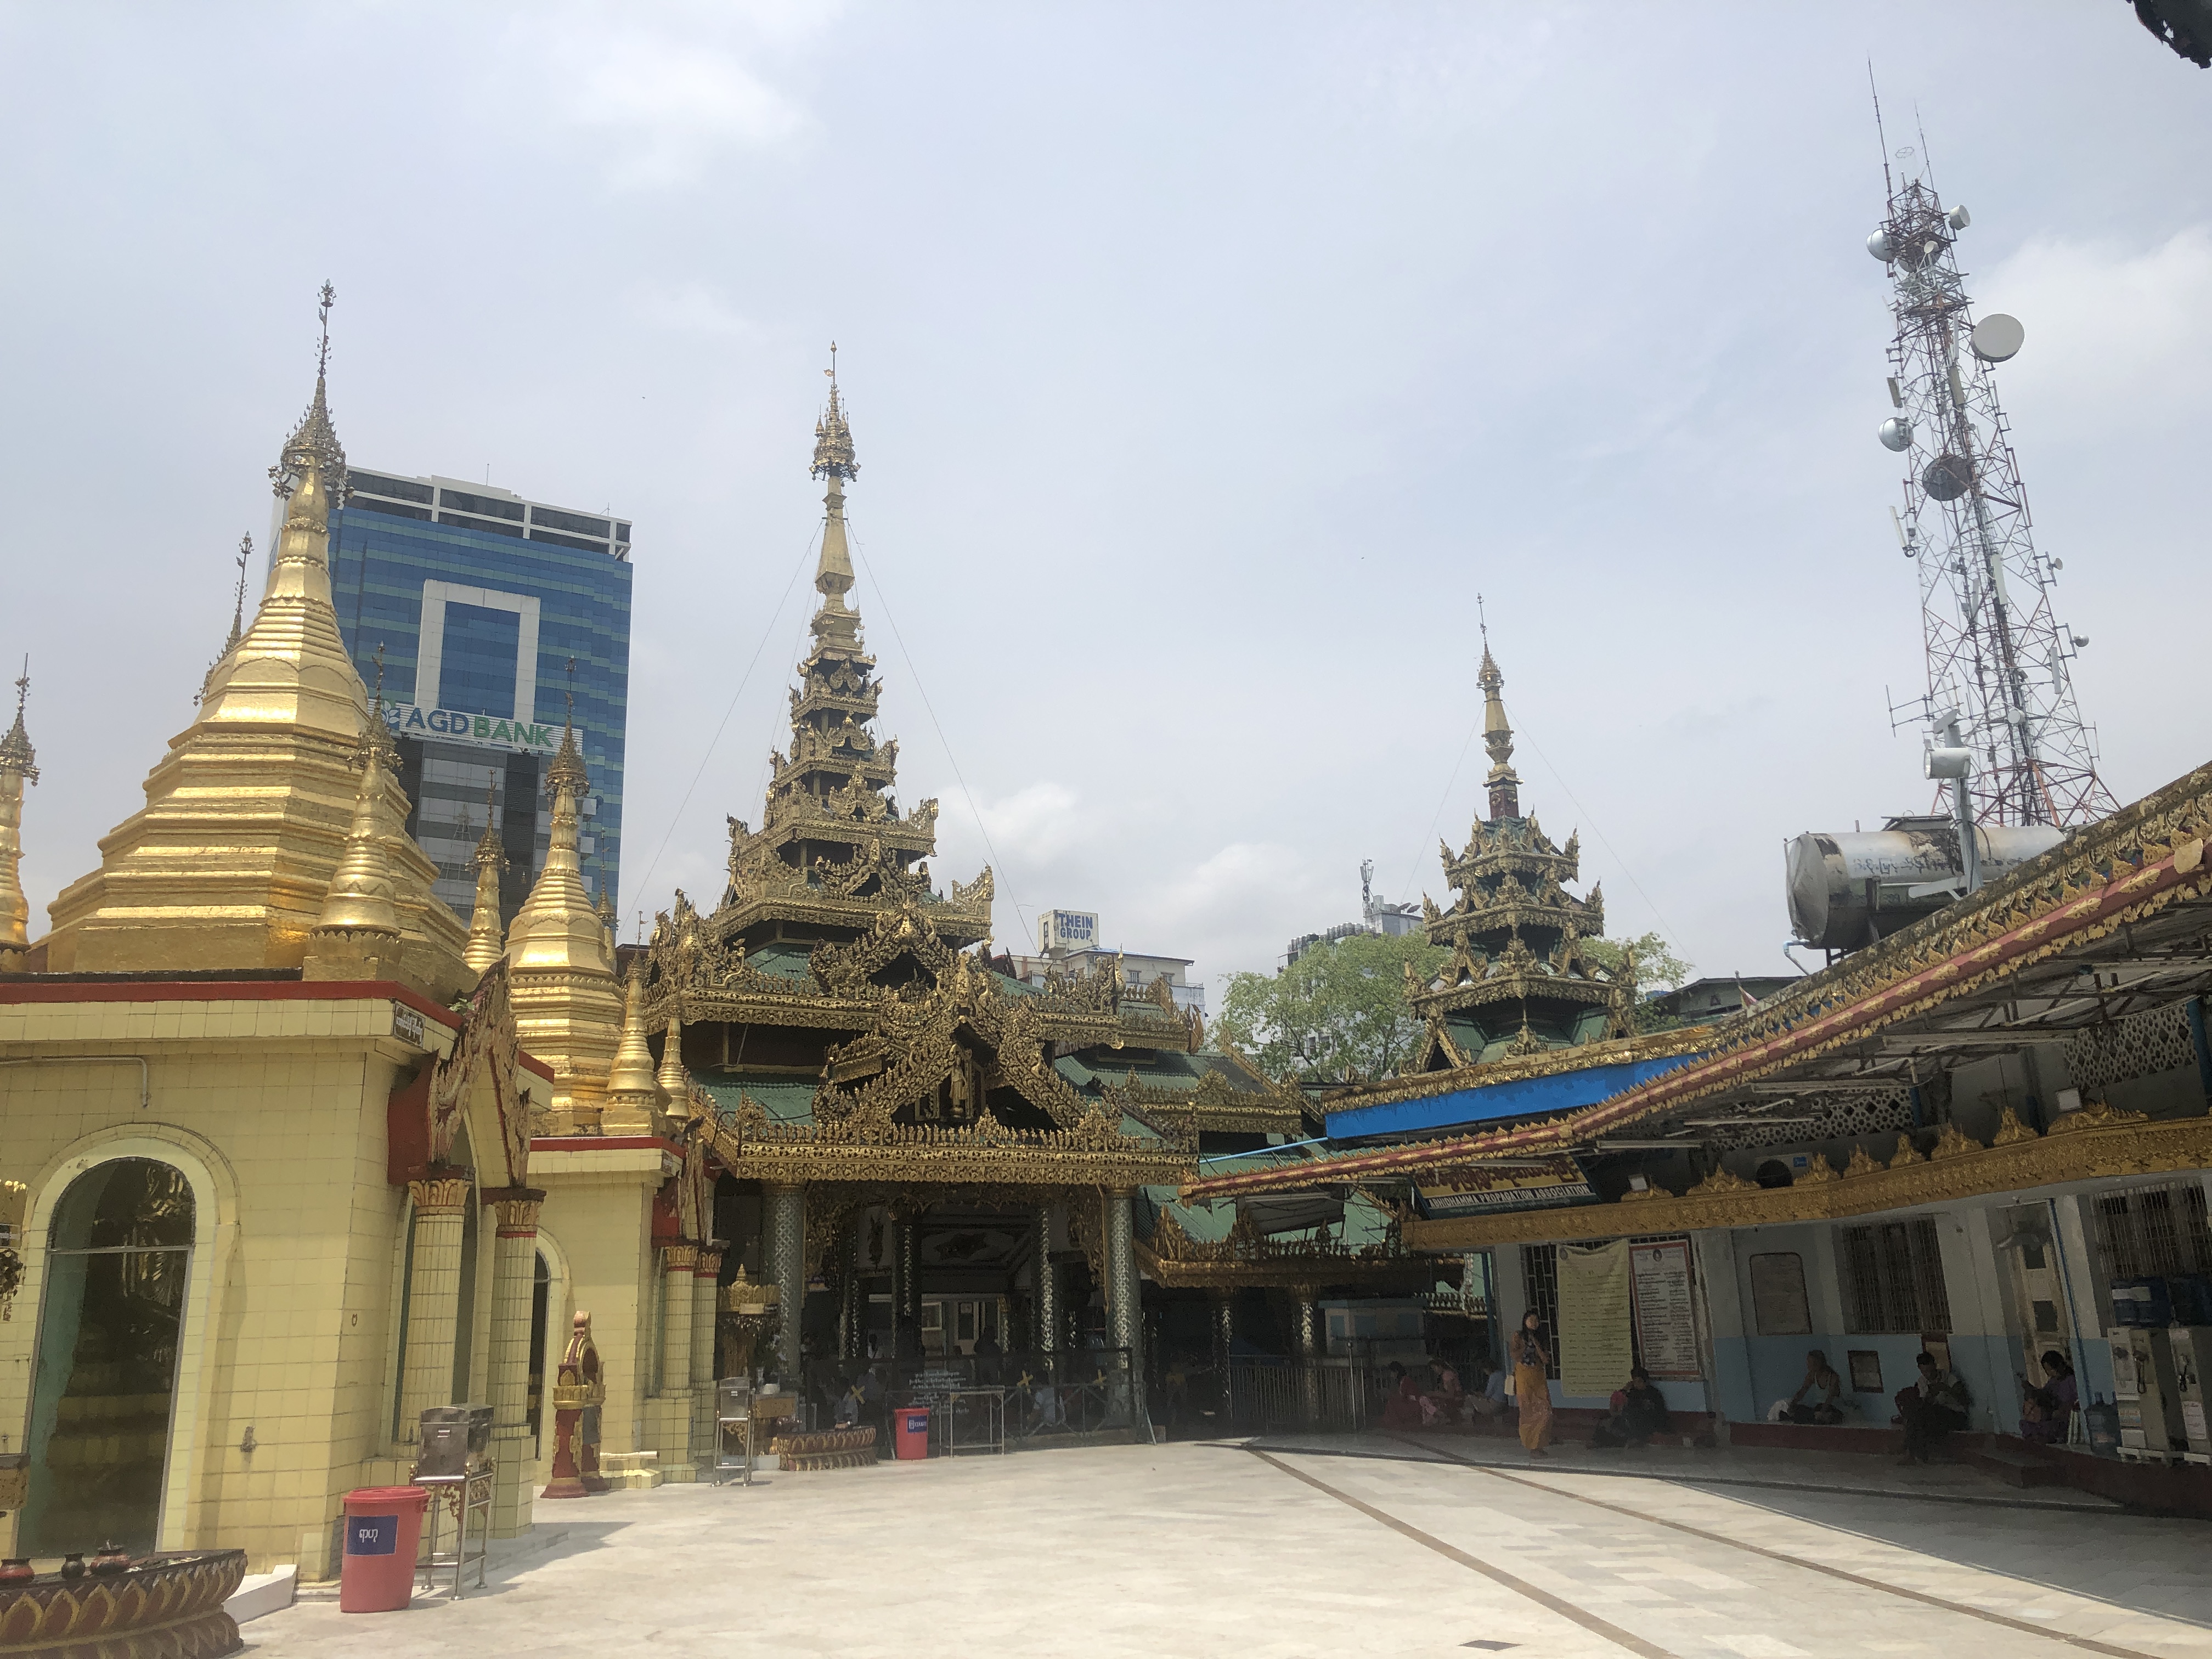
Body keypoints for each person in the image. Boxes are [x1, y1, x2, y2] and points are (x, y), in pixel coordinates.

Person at [1897, 1350, 1972, 1463]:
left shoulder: (1949, 1378)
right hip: (1935, 1415)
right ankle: (1912, 1453)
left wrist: (1944, 1388)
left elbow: (1965, 1400)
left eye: (1930, 1371)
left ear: (1935, 1365)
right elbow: (1925, 1402)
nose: (1928, 1375)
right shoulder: (1922, 1381)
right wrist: (1929, 1396)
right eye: (1924, 1372)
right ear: (1919, 1369)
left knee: (1923, 1417)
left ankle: (1913, 1452)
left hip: (1955, 1415)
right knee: (1917, 1417)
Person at [1590, 1366, 1672, 1449]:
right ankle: (1597, 1441)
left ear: (1646, 1381)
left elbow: (1659, 1413)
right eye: (1635, 1382)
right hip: (1630, 1421)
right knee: (1607, 1422)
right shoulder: (1633, 1393)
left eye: (1639, 1382)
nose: (1637, 1384)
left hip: (1647, 1422)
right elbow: (1622, 1406)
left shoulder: (1654, 1394)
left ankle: (1635, 1440)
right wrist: (1625, 1390)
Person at [1508, 1311, 1553, 1454]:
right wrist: (1526, 1344)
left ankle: (1540, 1442)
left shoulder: (1541, 1337)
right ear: (1525, 1321)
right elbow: (1514, 1355)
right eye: (1530, 1320)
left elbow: (1546, 1359)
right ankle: (1533, 1446)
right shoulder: (1518, 1336)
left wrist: (1536, 1343)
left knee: (1545, 1410)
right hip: (1524, 1376)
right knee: (1528, 1411)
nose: (1533, 1323)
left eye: (1536, 1320)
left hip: (1538, 1375)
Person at [2021, 1349, 2076, 1443]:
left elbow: (2076, 1402)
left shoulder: (2071, 1381)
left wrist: (2063, 1410)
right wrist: (2030, 1388)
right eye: (2047, 1370)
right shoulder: (2053, 1381)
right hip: (2053, 1414)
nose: (2049, 1373)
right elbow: (2044, 1395)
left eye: (2051, 1369)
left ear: (2059, 1366)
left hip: (2066, 1417)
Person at [1786, 1350, 1845, 1425]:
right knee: (1799, 1411)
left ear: (1818, 1363)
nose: (1808, 1364)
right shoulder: (1812, 1375)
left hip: (1833, 1409)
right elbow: (1802, 1391)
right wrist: (1793, 1405)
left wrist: (1822, 1412)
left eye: (1810, 1362)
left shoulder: (1833, 1377)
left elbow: (1830, 1398)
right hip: (1819, 1408)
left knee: (1827, 1417)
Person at [1421, 1361, 1466, 1428]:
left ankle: (1439, 1415)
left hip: (1455, 1400)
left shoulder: (1447, 1375)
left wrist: (1434, 1394)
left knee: (1424, 1400)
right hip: (1453, 1399)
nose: (1435, 1371)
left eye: (1435, 1368)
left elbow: (1451, 1395)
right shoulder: (1447, 1375)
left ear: (1440, 1366)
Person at [1381, 1361, 1424, 1430]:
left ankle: (1393, 1423)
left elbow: (1403, 1396)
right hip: (1410, 1402)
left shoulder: (1405, 1380)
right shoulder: (1403, 1380)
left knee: (1392, 1403)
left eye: (1391, 1373)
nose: (1391, 1375)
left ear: (1396, 1372)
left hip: (1413, 1403)